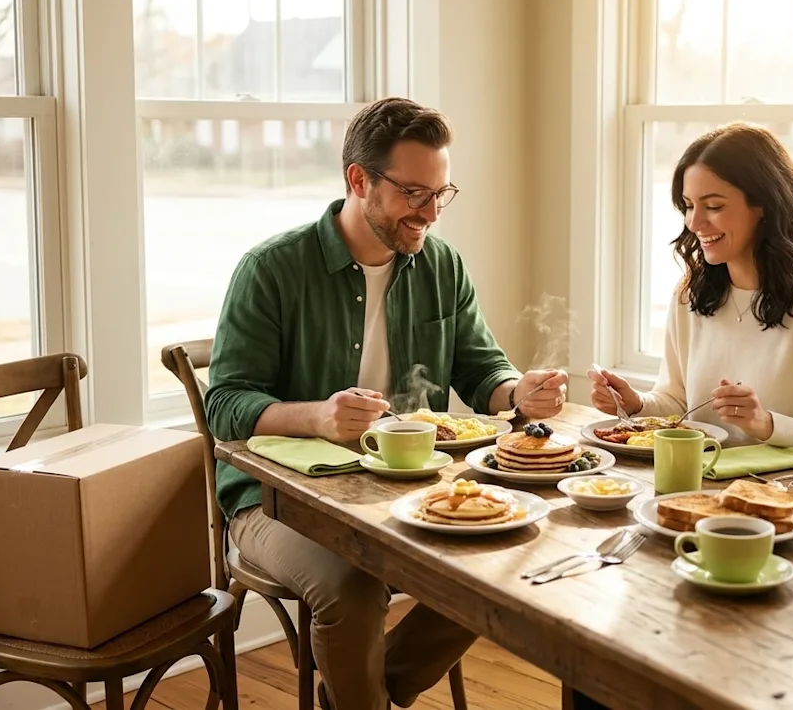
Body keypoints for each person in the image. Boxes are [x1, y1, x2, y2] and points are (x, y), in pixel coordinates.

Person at [205, 97, 569, 710]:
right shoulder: (271, 269)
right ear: (358, 180)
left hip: (400, 486)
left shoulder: (440, 264)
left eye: (440, 194)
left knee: (512, 551)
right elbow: (225, 405)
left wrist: (519, 394)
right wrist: (317, 416)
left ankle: (369, 690)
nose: (428, 213)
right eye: (412, 193)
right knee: (351, 584)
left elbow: (483, 369)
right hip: (275, 500)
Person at [590, 122, 793, 468]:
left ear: (763, 204)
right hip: (702, 484)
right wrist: (635, 405)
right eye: (688, 205)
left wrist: (766, 424)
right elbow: (679, 403)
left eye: (714, 206)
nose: (694, 224)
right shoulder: (690, 294)